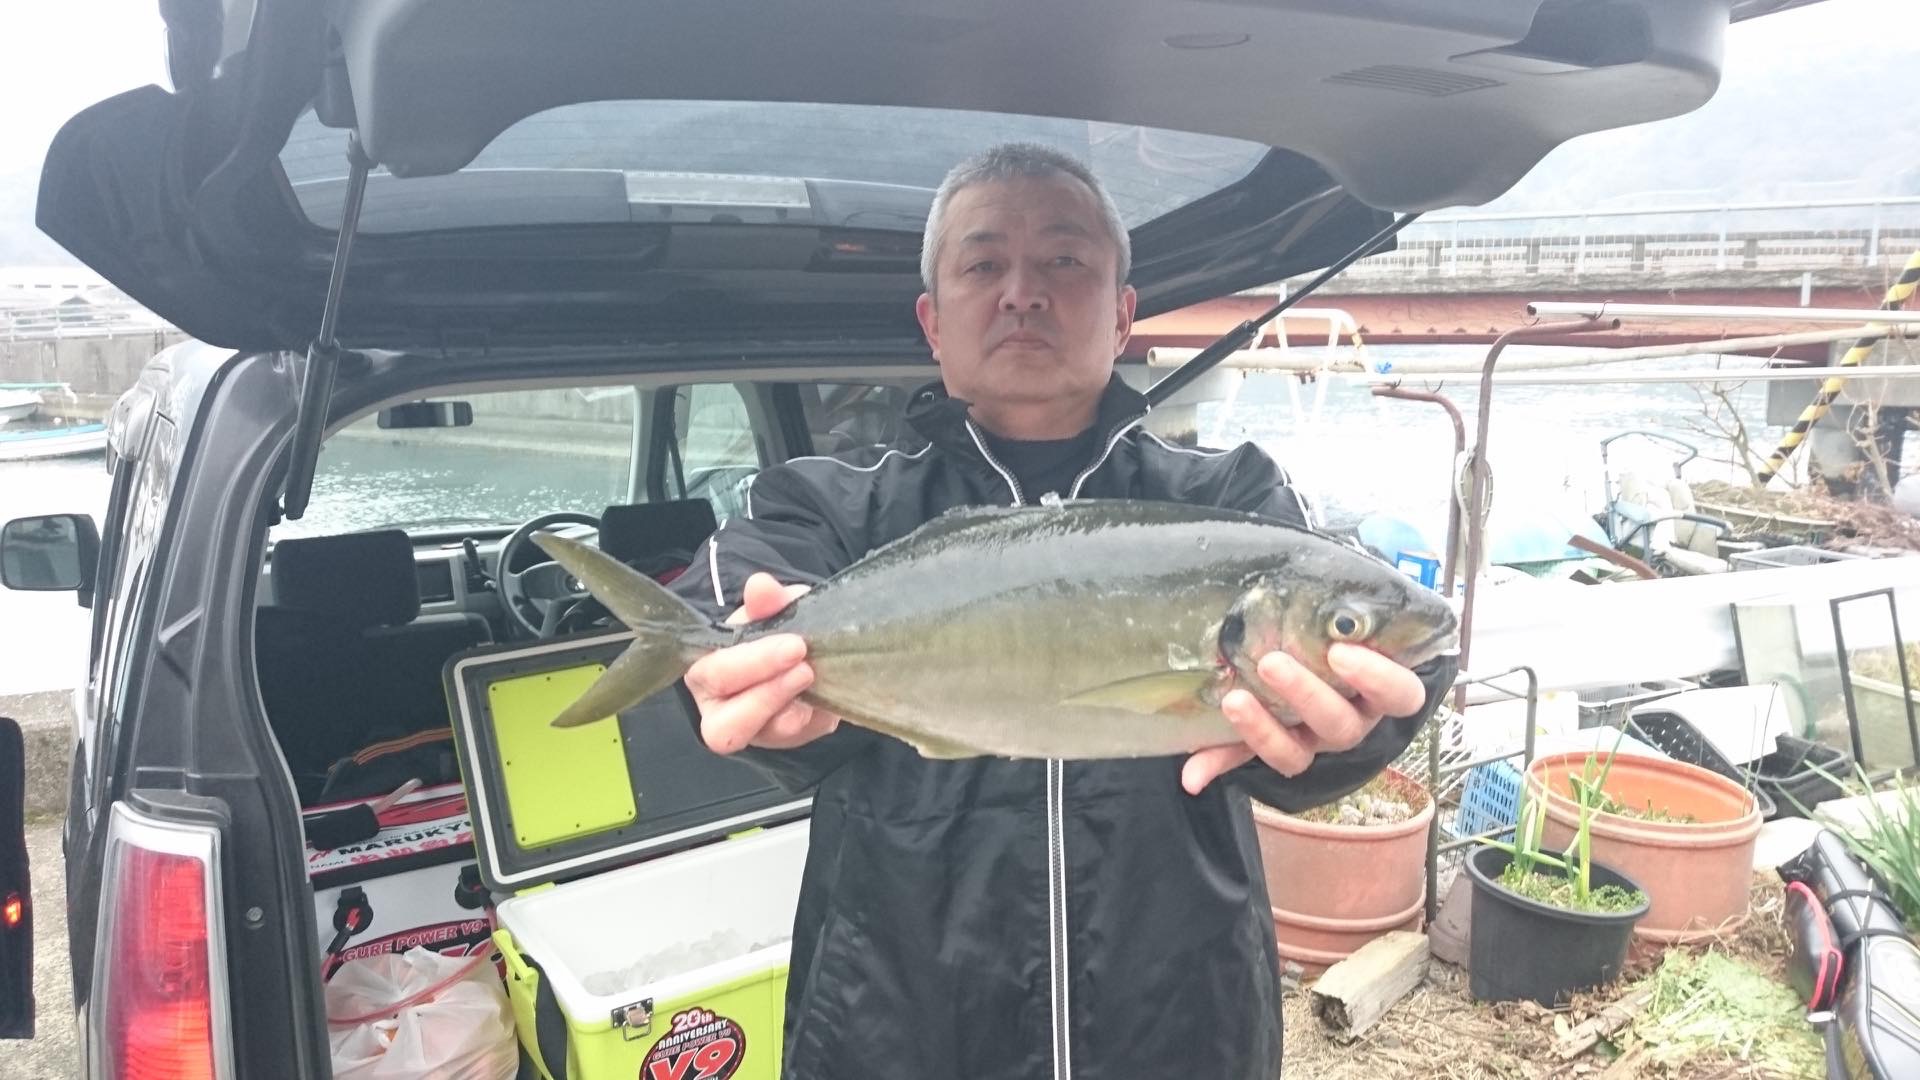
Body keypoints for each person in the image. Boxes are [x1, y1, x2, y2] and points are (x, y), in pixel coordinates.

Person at [665, 143, 1455, 1079]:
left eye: (1065, 260)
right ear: (933, 321)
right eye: (983, 265)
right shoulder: (832, 505)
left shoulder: (1233, 501)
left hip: (1178, 1027)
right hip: (896, 1027)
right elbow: (725, 599)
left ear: (1122, 315)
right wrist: (736, 672)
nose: (1023, 293)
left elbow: (1382, 646)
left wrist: (1352, 729)